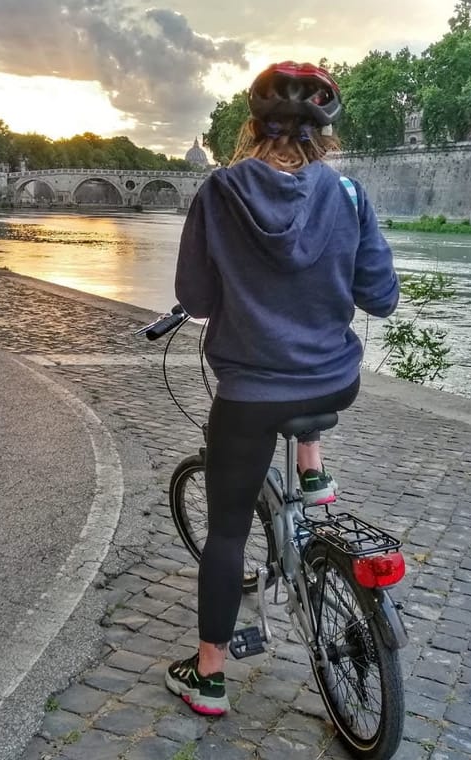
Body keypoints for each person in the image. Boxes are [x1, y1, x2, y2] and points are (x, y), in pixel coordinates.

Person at [164, 61, 400, 716]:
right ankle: (312, 466)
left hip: (249, 394)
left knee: (227, 533)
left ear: (252, 127)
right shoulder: (350, 197)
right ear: (322, 136)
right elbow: (379, 296)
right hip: (331, 385)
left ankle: (209, 678)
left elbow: (197, 299)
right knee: (313, 360)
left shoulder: (217, 193)